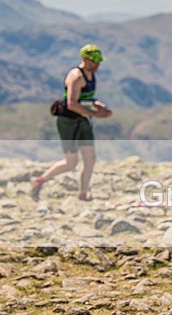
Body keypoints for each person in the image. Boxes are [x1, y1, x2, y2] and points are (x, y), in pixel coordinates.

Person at [30, 44, 112, 201]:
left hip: (82, 119)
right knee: (70, 162)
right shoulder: (76, 77)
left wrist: (98, 105)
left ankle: (82, 194)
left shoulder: (91, 75)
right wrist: (95, 114)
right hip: (69, 121)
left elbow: (85, 98)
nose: (97, 65)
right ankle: (39, 181)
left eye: (98, 62)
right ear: (85, 59)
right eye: (94, 61)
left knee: (90, 159)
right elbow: (72, 103)